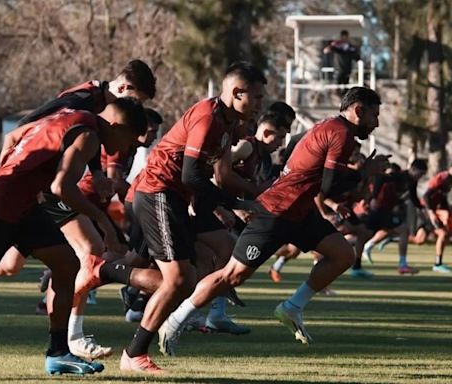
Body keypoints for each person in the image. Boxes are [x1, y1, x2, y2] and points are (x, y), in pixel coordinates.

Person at [158, 87, 386, 359]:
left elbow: (300, 156)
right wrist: (364, 173)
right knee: (232, 275)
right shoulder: (342, 133)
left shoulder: (328, 126)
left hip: (299, 212)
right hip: (276, 211)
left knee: (342, 254)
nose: (377, 123)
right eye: (374, 115)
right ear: (358, 111)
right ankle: (174, 321)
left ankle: (292, 307)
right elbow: (329, 184)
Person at [0, 98, 147, 375]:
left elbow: (13, 136)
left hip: (22, 206)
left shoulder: (73, 117)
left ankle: (58, 352)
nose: (128, 149)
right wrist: (104, 223)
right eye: (131, 142)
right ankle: (59, 350)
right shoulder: (89, 136)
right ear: (118, 127)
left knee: (67, 264)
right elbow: (61, 187)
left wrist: (15, 177)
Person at [119, 61, 266, 374]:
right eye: (257, 97)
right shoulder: (207, 117)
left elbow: (216, 177)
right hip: (158, 192)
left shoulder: (227, 126)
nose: (260, 105)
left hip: (175, 198)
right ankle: (133, 351)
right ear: (237, 93)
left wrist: (247, 199)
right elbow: (189, 175)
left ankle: (111, 278)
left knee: (189, 273)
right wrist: (232, 204)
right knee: (178, 280)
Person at [362, 159, 427, 274]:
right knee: (363, 232)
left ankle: (367, 246)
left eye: (422, 175)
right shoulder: (400, 175)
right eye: (420, 174)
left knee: (391, 230)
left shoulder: (412, 181)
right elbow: (381, 178)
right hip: (380, 208)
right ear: (413, 169)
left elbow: (413, 197)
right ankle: (402, 265)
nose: (420, 177)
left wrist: (422, 208)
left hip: (387, 210)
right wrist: (373, 198)